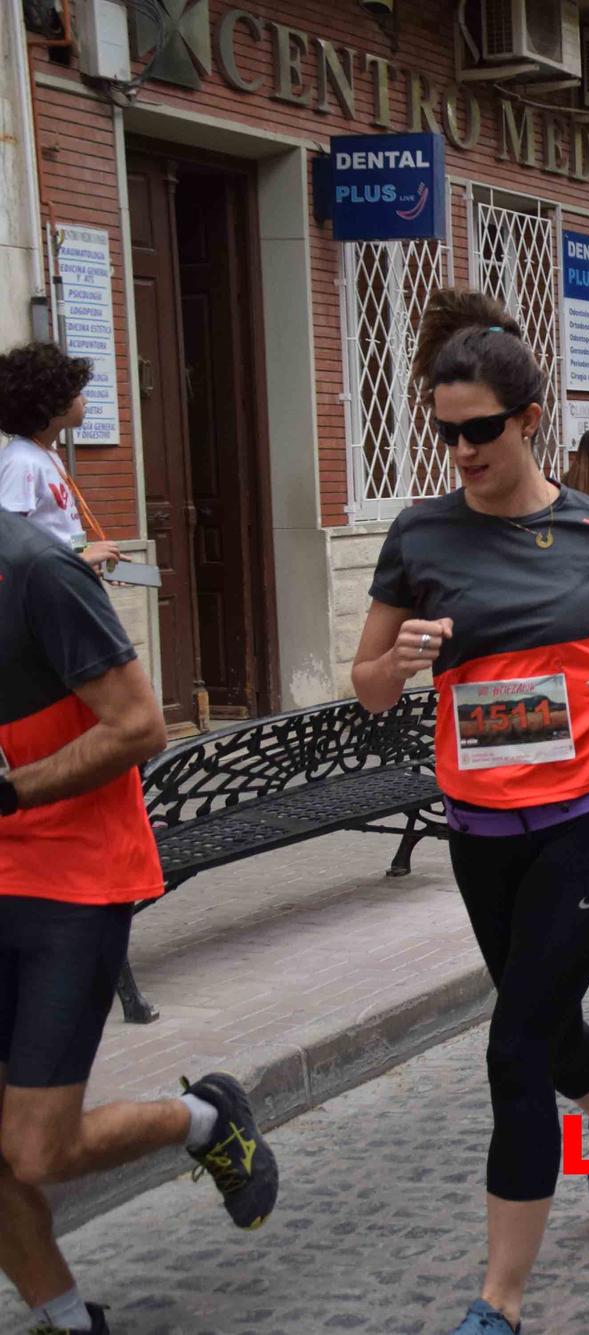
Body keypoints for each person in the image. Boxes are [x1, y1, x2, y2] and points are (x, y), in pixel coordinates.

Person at [352, 290, 589, 1335]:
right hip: (482, 830)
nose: (460, 450)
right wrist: (397, 660)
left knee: (511, 1047)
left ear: (529, 419)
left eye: (480, 431)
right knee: (544, 1031)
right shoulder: (419, 534)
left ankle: (498, 1301)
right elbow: (365, 684)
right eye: (444, 432)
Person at [1, 512, 278, 1335]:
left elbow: (140, 724)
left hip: (72, 878)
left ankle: (205, 1118)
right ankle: (68, 1318)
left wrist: (10, 793)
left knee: (37, 1150)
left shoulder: (37, 572)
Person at [0, 344, 121, 571]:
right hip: (43, 598)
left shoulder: (47, 453)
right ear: (52, 401)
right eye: (77, 393)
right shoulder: (20, 462)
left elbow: (59, 529)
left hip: (63, 582)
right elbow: (7, 547)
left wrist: (86, 557)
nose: (85, 400)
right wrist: (80, 560)